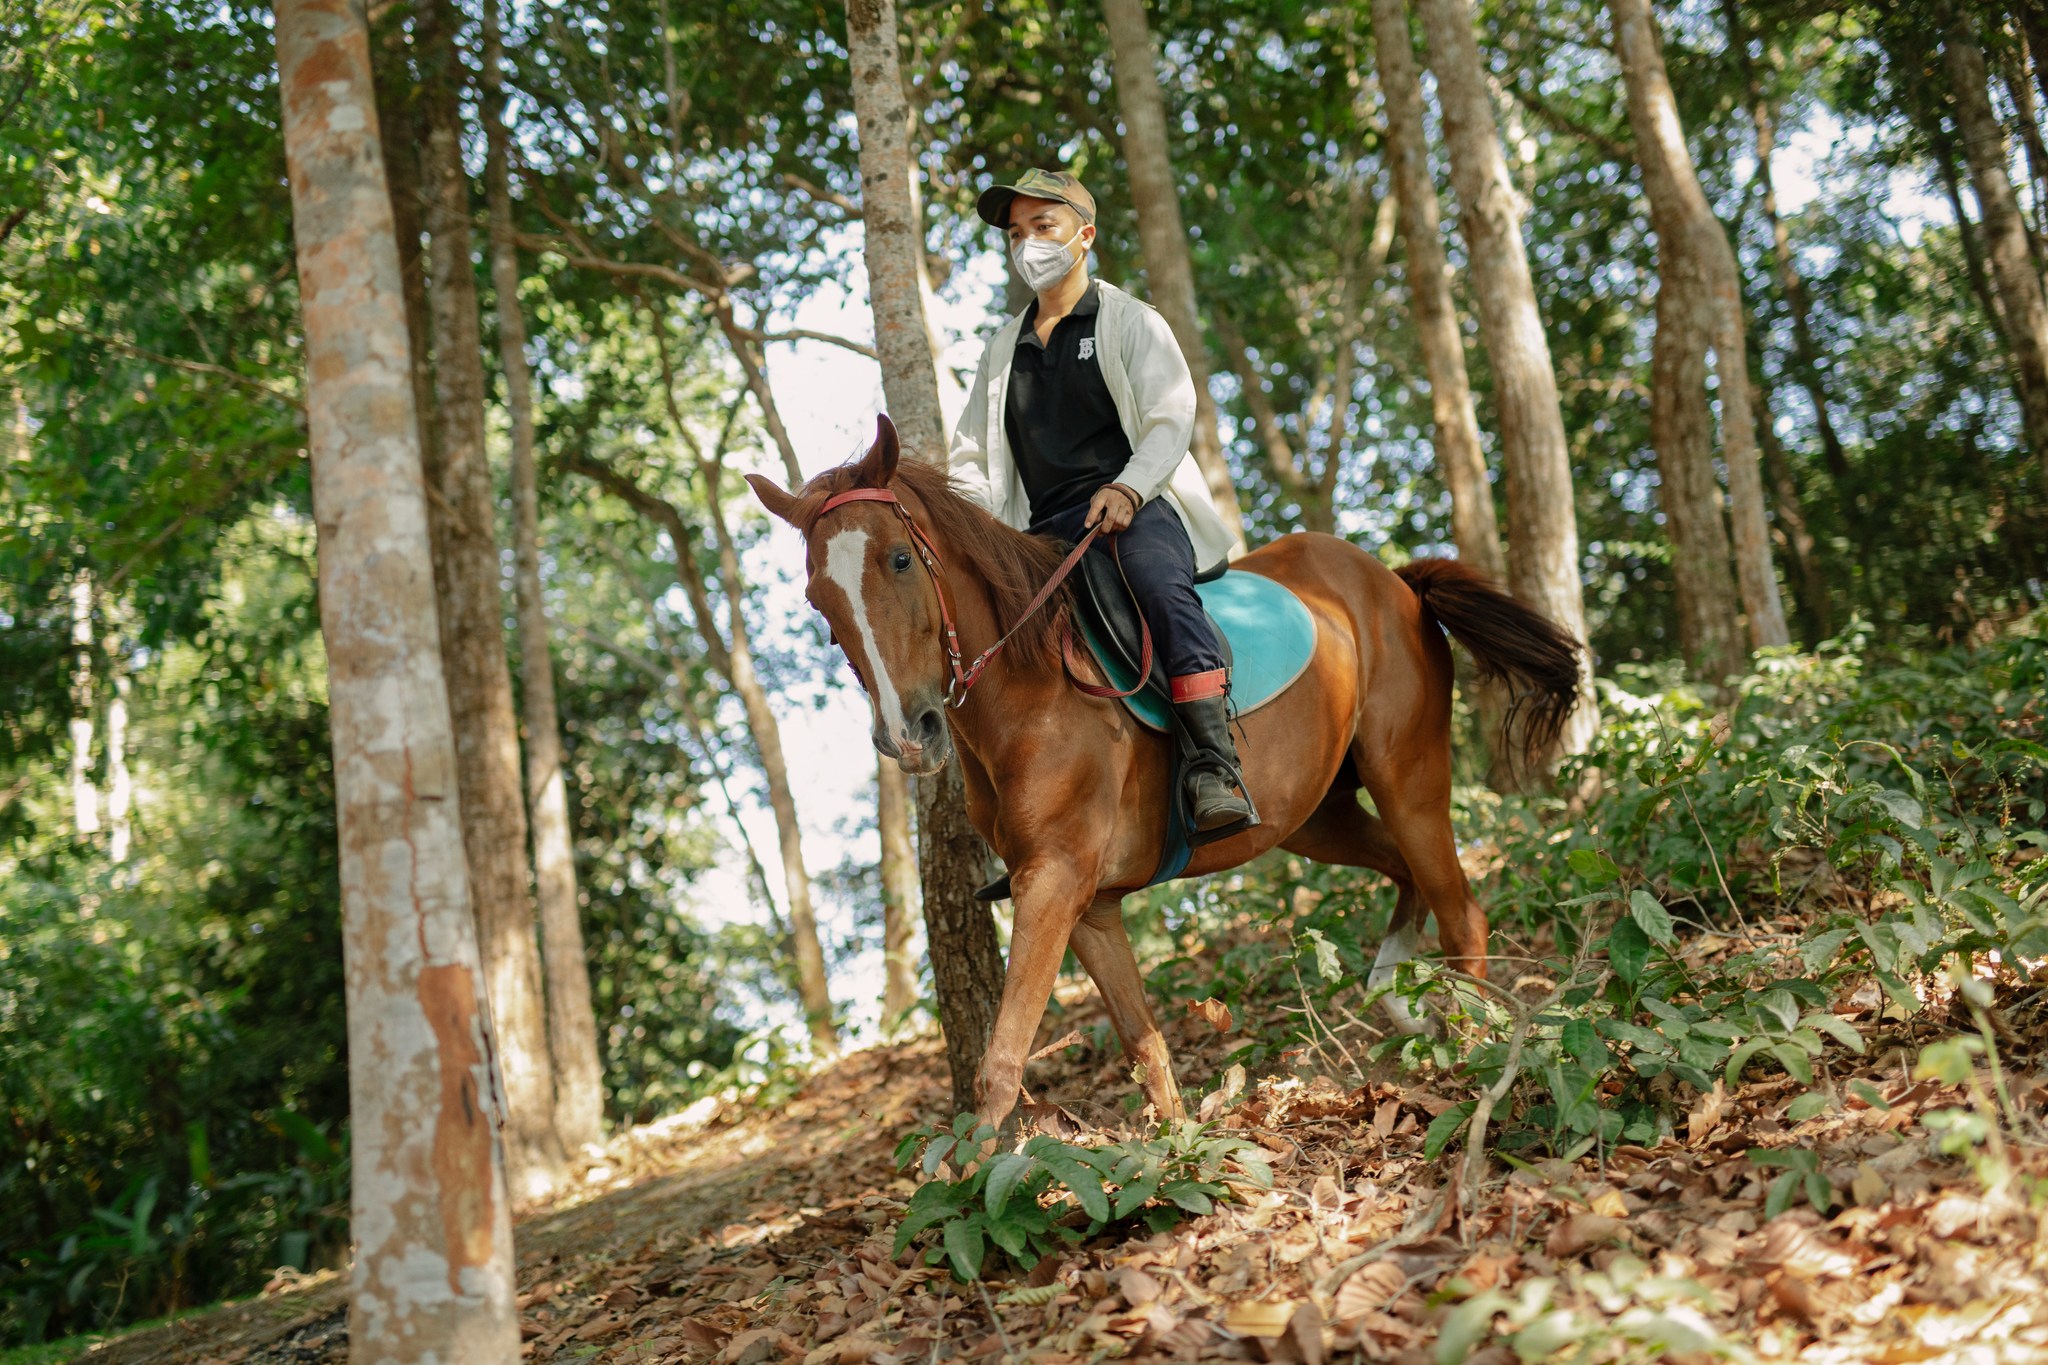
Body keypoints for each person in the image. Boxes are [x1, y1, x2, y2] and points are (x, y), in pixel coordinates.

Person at [947, 167, 1252, 834]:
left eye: (1043, 227)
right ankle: (1025, 816)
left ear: (1083, 236)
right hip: (1038, 533)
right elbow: (970, 458)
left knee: (1156, 584)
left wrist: (1129, 487)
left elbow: (1170, 418)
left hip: (1130, 509)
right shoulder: (1002, 350)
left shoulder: (1129, 320)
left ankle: (1214, 763)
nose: (1028, 243)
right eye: (1016, 232)